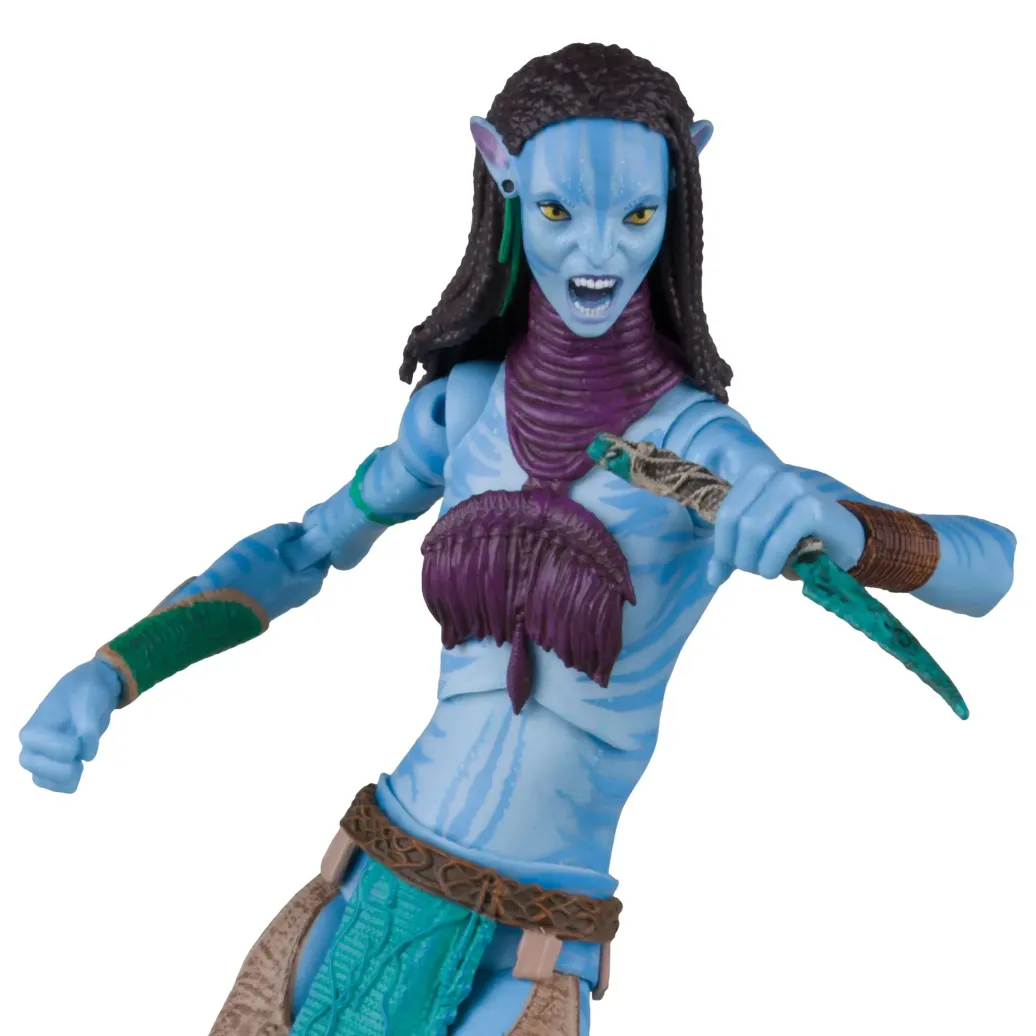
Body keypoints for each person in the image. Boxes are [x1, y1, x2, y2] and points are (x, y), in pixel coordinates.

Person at [18, 42, 1016, 1036]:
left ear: (678, 194)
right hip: (364, 890)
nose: (597, 253)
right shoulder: (461, 412)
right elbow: (299, 551)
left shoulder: (699, 454)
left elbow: (993, 566)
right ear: (502, 174)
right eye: (558, 211)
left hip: (532, 946)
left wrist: (835, 526)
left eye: (635, 216)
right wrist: (115, 669)